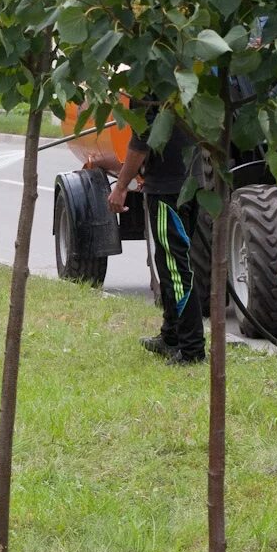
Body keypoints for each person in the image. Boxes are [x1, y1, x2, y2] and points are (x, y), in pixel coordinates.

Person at [107, 106, 206, 365]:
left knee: (175, 269)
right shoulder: (187, 70)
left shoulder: (150, 80)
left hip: (168, 190)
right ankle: (171, 336)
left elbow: (140, 143)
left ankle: (192, 349)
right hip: (190, 183)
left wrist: (120, 187)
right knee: (168, 264)